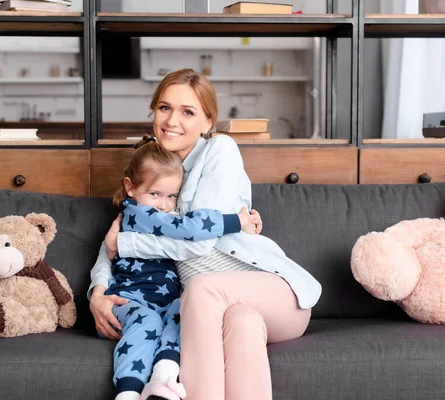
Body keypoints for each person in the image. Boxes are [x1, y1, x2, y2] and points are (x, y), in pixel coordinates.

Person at [89, 68, 322, 400]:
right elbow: (113, 237)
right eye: (164, 108)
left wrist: (126, 243)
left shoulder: (220, 150)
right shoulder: (154, 169)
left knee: (199, 291)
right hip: (227, 306)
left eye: (188, 112)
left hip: (274, 293)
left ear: (207, 122)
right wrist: (98, 293)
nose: (172, 120)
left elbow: (200, 242)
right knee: (239, 324)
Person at [98, 135, 261, 400]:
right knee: (148, 320)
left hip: (163, 301)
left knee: (184, 311)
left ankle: (163, 378)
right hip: (127, 302)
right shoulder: (140, 214)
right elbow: (190, 228)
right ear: (130, 187)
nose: (163, 204)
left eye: (172, 195)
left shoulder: (159, 213)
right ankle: (127, 392)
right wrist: (237, 220)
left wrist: (248, 215)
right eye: (155, 194)